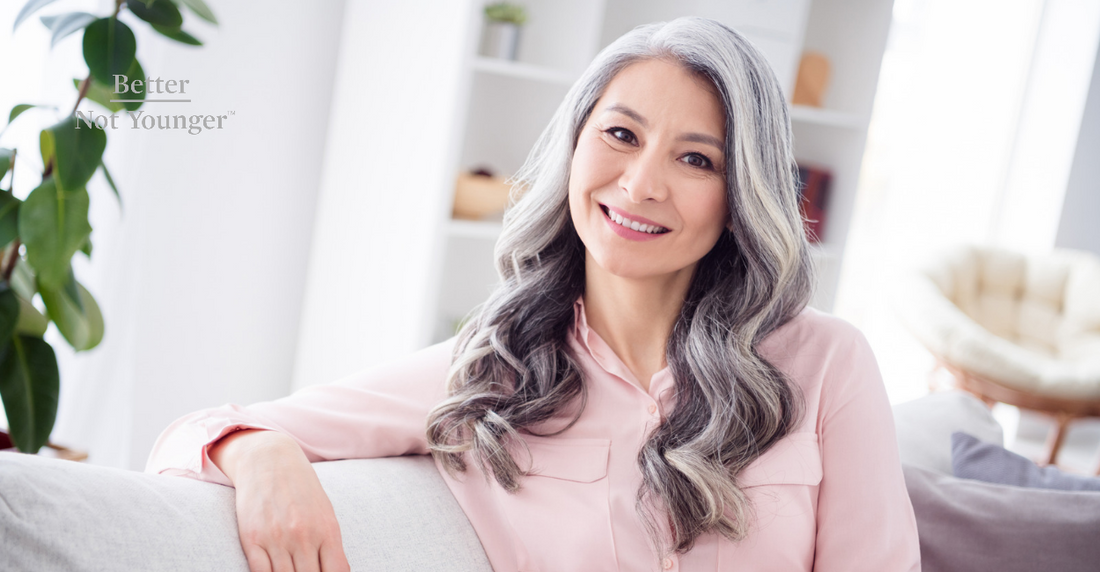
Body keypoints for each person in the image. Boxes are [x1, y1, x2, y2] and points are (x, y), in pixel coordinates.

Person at [145, 16, 921, 572]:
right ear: (575, 146)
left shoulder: (826, 363)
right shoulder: (491, 376)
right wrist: (264, 453)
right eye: (620, 135)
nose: (641, 183)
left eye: (696, 159)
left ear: (739, 194)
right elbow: (186, 441)